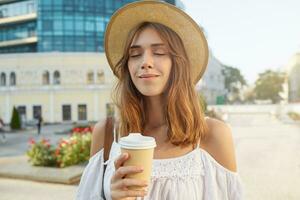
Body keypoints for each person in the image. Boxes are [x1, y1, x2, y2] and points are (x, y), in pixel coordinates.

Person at [76, 1, 243, 200]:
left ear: (178, 63)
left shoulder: (213, 135)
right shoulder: (107, 133)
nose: (145, 62)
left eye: (159, 52)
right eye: (135, 54)